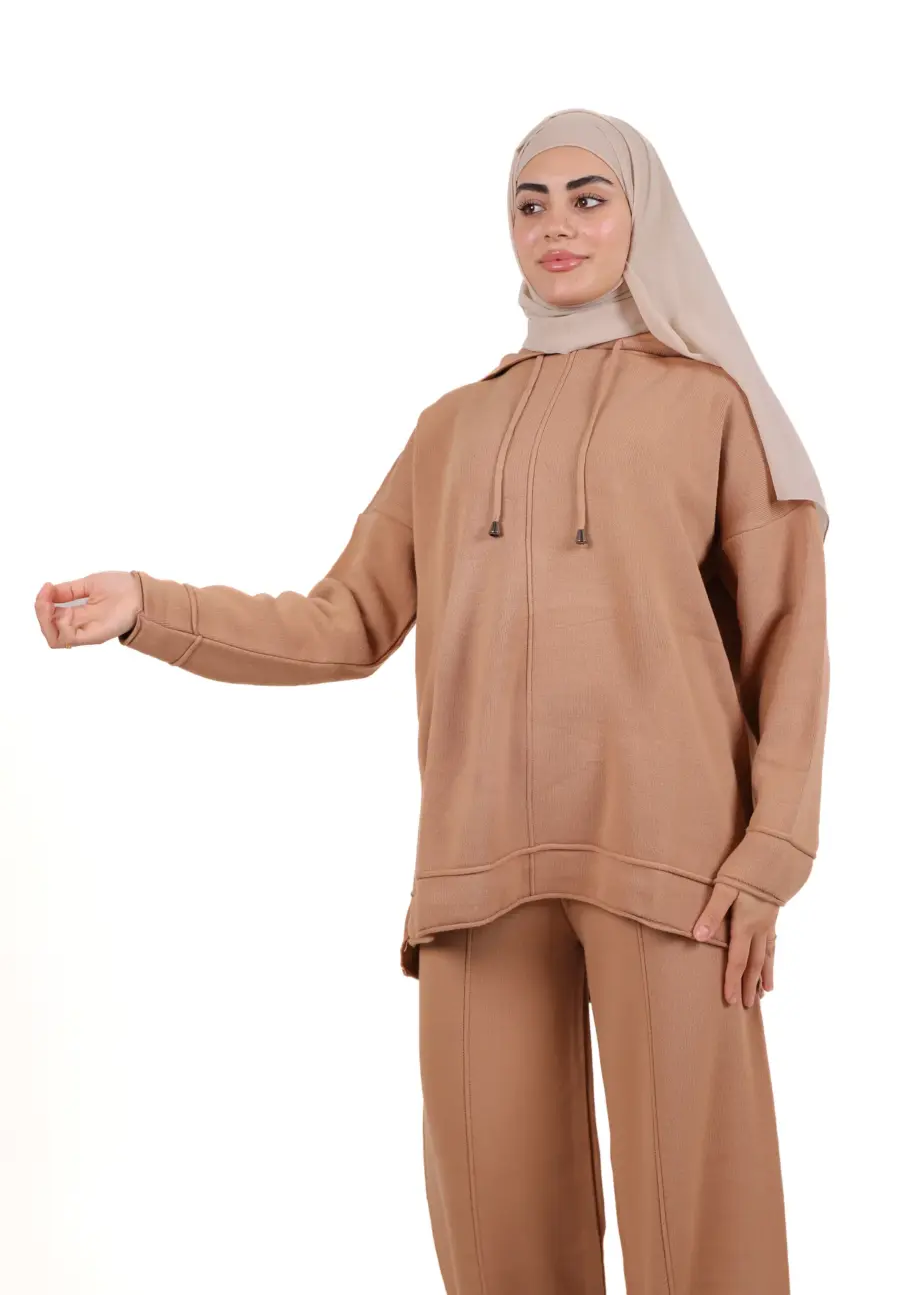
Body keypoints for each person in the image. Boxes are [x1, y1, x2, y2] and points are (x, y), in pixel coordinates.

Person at [35, 108, 830, 1293]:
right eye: (530, 202)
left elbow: (789, 637)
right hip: (475, 866)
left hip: (674, 865)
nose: (557, 225)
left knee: (702, 1236)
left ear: (643, 216)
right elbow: (342, 620)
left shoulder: (713, 404)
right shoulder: (451, 428)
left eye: (589, 197)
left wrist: (772, 853)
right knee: (497, 1237)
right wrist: (147, 605)